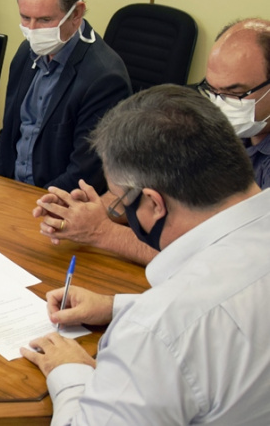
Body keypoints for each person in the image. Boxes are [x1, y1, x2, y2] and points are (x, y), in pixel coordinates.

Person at [21, 85, 270, 424]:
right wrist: (117, 307)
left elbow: (182, 327)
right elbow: (231, 305)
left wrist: (70, 374)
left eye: (122, 202)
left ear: (153, 203)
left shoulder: (156, 333)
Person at [32, 17, 270, 267]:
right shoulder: (219, 121)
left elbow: (216, 260)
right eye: (212, 90)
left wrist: (100, 231)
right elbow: (158, 188)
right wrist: (87, 210)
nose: (220, 103)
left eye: (235, 93)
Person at [0, 0, 131, 191]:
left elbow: (85, 172)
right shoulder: (26, 53)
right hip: (11, 194)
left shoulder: (104, 77)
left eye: (45, 20)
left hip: (57, 204)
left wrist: (31, 205)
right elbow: (8, 136)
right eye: (25, 18)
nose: (32, 31)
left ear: (76, 13)